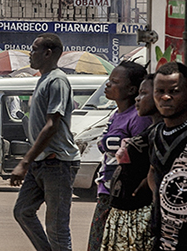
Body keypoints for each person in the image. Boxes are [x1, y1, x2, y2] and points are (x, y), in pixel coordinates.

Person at [10, 33, 79, 251]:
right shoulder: (44, 78)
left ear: (48, 53)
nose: (30, 54)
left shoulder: (57, 80)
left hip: (57, 163)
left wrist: (24, 162)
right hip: (42, 162)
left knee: (57, 228)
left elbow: (52, 125)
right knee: (22, 211)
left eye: (34, 49)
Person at [88, 61, 151, 251]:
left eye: (114, 82)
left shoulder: (139, 118)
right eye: (109, 80)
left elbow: (141, 158)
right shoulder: (116, 114)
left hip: (124, 195)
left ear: (131, 89)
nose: (108, 85)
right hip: (107, 191)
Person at [100, 74, 160, 251]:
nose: (137, 99)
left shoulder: (158, 133)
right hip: (123, 213)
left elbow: (154, 171)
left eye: (143, 94)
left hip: (138, 214)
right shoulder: (151, 131)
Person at [148, 62, 187, 250]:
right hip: (163, 235)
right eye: (159, 91)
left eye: (174, 91)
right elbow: (153, 172)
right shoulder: (156, 134)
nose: (165, 97)